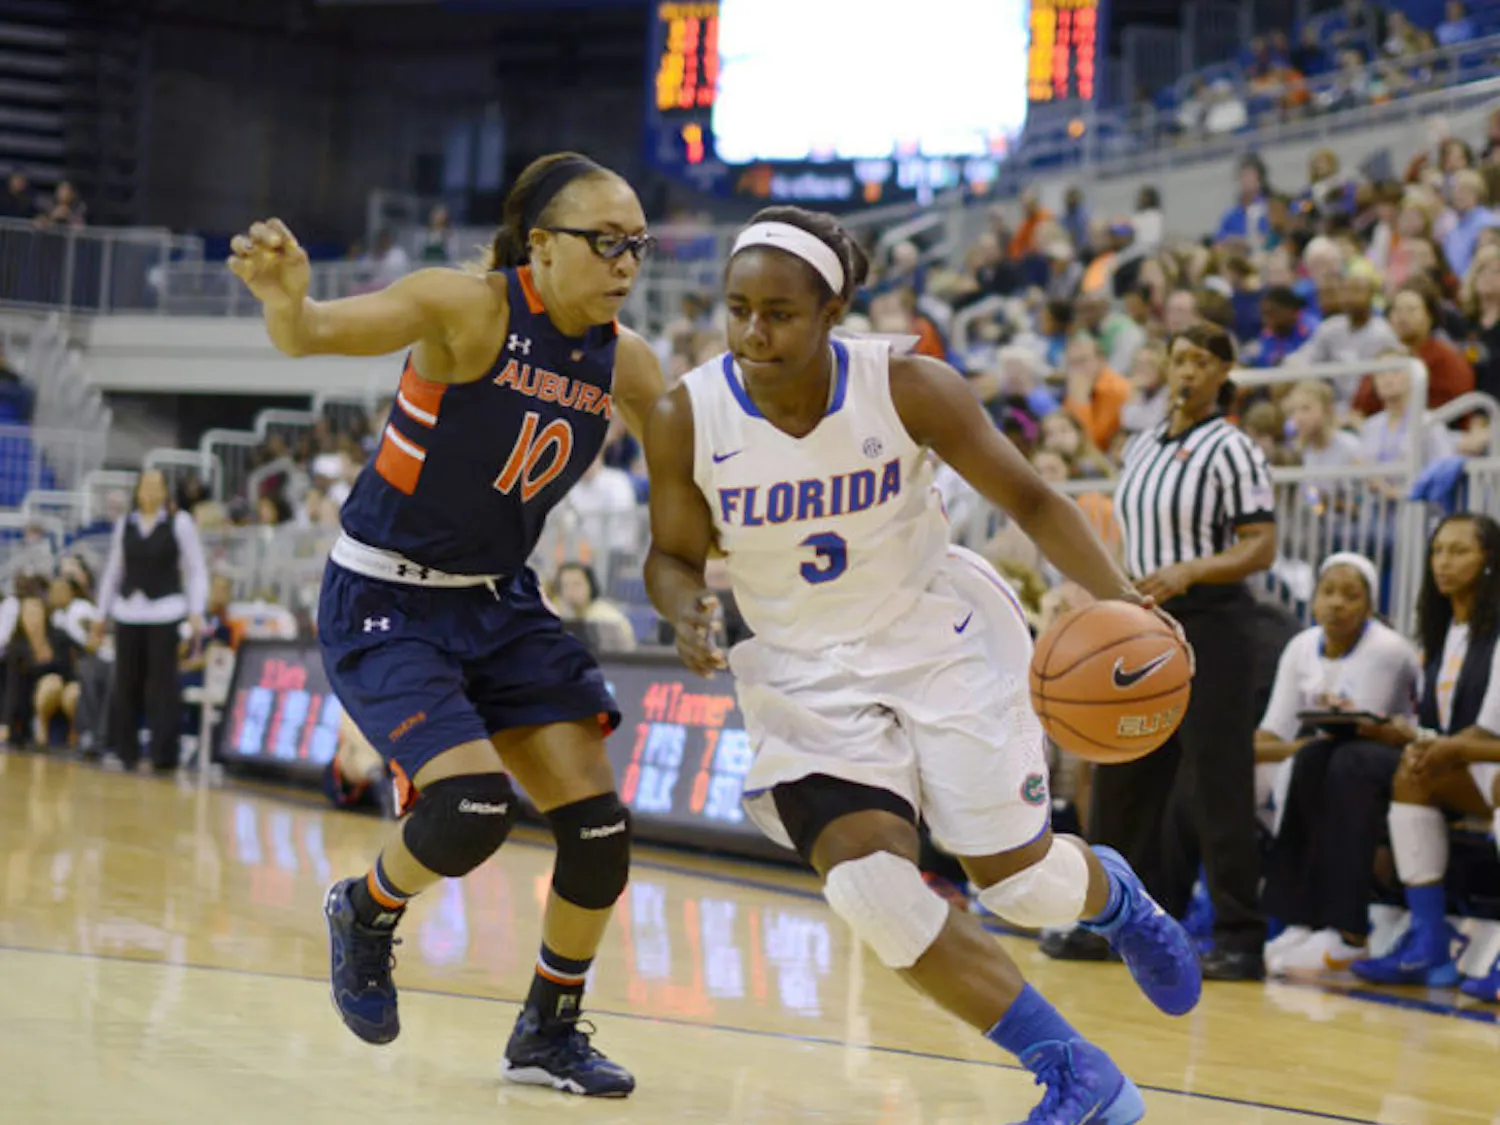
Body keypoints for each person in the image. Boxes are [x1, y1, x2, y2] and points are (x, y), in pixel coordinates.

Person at [643, 206, 1200, 1125]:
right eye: (737, 308)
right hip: (804, 672)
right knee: (871, 888)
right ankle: (1074, 1069)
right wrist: (684, 609)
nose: (752, 331)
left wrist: (1122, 605)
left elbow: (1030, 495)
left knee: (1023, 887)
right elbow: (670, 553)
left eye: (778, 312)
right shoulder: (687, 412)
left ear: (836, 308)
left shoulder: (908, 387)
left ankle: (1116, 896)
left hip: (937, 638)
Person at [227, 151, 665, 1094]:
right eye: (606, 242)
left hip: (497, 598)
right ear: (541, 247)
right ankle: (365, 909)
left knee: (598, 833)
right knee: (469, 809)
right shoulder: (464, 307)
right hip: (385, 594)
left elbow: (696, 455)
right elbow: (308, 335)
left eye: (639, 244)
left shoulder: (628, 360)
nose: (627, 262)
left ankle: (547, 1030)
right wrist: (287, 299)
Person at [1057, 322, 1278, 981]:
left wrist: (1192, 569)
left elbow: (1260, 541)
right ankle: (1113, 922)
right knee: (1124, 774)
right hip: (1143, 618)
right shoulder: (1143, 444)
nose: (1187, 371)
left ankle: (1240, 937)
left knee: (1217, 782)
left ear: (1223, 375)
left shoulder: (1232, 447)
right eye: (1180, 358)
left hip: (1213, 618)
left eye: (1202, 361)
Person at [1351, 514, 1500, 1002]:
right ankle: (1430, 942)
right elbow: (1471, 729)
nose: (1444, 562)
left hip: (1490, 769)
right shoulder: (1444, 633)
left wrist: (1447, 746)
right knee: (1411, 775)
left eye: (1460, 551)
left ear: (1489, 561)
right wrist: (1418, 738)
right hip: (1482, 764)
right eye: (1438, 551)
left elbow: (1482, 734)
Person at [1255, 553, 1420, 974]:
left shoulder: (1387, 649)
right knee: (1309, 760)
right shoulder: (1300, 646)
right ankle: (1297, 918)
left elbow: (1361, 729)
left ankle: (1347, 930)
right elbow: (1273, 732)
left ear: (1369, 606)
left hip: (1389, 754)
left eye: (1351, 596)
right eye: (1328, 592)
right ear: (1313, 601)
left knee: (1334, 763)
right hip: (1328, 753)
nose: (1337, 604)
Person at [92, 469, 210, 772]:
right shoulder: (126, 525)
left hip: (165, 611)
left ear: (165, 491)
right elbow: (113, 572)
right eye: (146, 486)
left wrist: (196, 610)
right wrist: (100, 615)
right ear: (138, 491)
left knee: (163, 685)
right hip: (128, 611)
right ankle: (125, 752)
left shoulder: (179, 522)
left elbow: (196, 570)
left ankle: (163, 755)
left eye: (157, 486)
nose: (150, 492)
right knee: (126, 683)